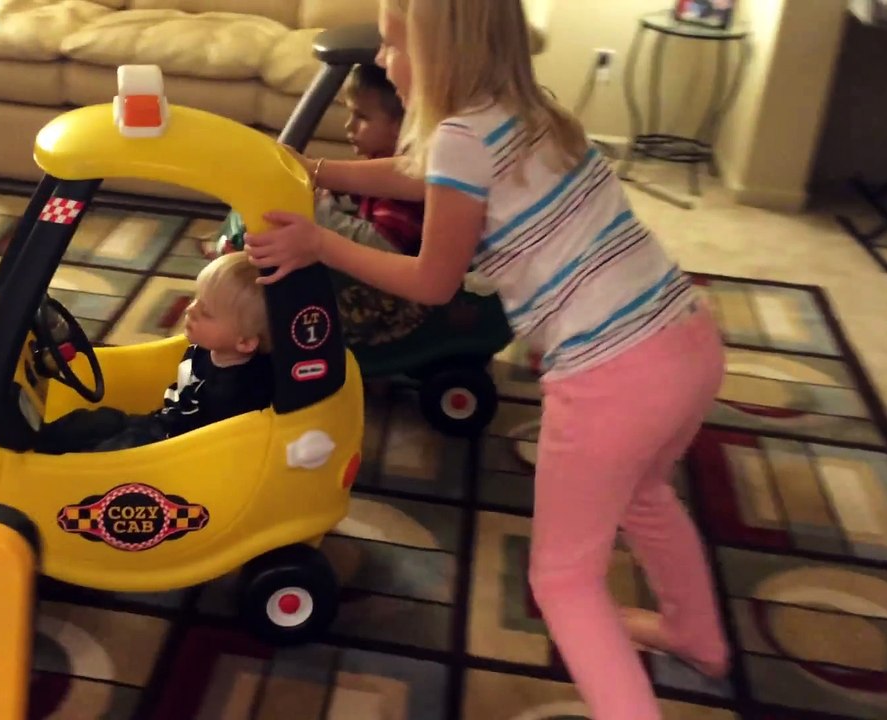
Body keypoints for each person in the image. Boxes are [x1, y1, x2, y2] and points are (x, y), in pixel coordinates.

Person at [241, 1, 729, 718]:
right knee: (645, 493)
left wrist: (320, 244)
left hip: (609, 379)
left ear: (439, 55)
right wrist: (320, 173)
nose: (381, 61)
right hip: (687, 342)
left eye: (391, 45)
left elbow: (434, 283)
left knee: (563, 582)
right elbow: (432, 184)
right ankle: (697, 635)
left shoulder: (461, 136)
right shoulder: (528, 109)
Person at [39, 251, 273, 454]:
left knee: (108, 455)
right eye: (196, 299)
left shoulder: (240, 391)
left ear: (244, 343)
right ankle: (35, 444)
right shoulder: (208, 347)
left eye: (207, 313)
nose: (190, 310)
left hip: (178, 448)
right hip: (160, 422)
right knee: (95, 422)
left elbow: (215, 448)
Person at [314, 64, 430, 347]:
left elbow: (383, 243)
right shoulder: (382, 163)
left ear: (399, 126)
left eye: (361, 116)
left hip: (399, 299)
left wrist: (322, 216)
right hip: (388, 283)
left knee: (308, 292)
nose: (348, 126)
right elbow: (358, 196)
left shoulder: (404, 180)